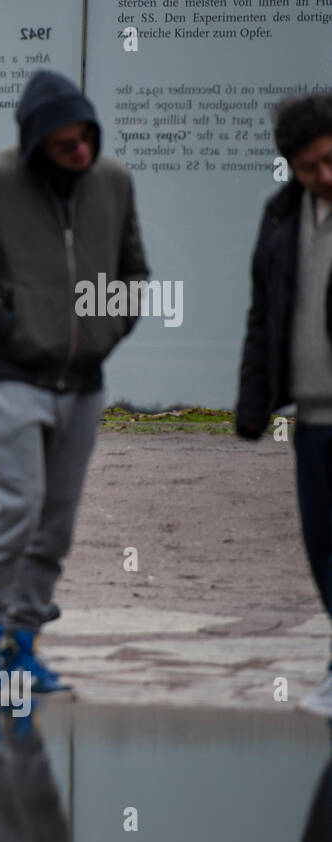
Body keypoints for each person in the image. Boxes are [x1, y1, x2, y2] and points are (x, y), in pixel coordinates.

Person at [0, 70, 149, 693]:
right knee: (18, 507)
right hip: (11, 378)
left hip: (84, 383)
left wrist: (107, 331)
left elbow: (134, 274)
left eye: (86, 139)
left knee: (56, 523)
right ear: (34, 145)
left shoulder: (113, 181)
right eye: (64, 144)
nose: (80, 153)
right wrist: (4, 323)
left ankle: (23, 646)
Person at [236, 93, 332, 716]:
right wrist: (252, 403)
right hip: (313, 418)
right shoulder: (281, 217)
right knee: (320, 544)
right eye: (307, 166)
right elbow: (264, 315)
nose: (322, 176)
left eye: (329, 160)